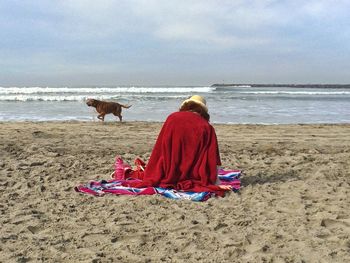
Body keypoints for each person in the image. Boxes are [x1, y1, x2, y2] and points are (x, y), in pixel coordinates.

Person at [124, 95, 231, 196]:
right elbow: (213, 157)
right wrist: (216, 181)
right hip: (193, 175)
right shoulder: (206, 126)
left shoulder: (172, 117)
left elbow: (160, 148)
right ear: (202, 110)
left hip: (167, 170)